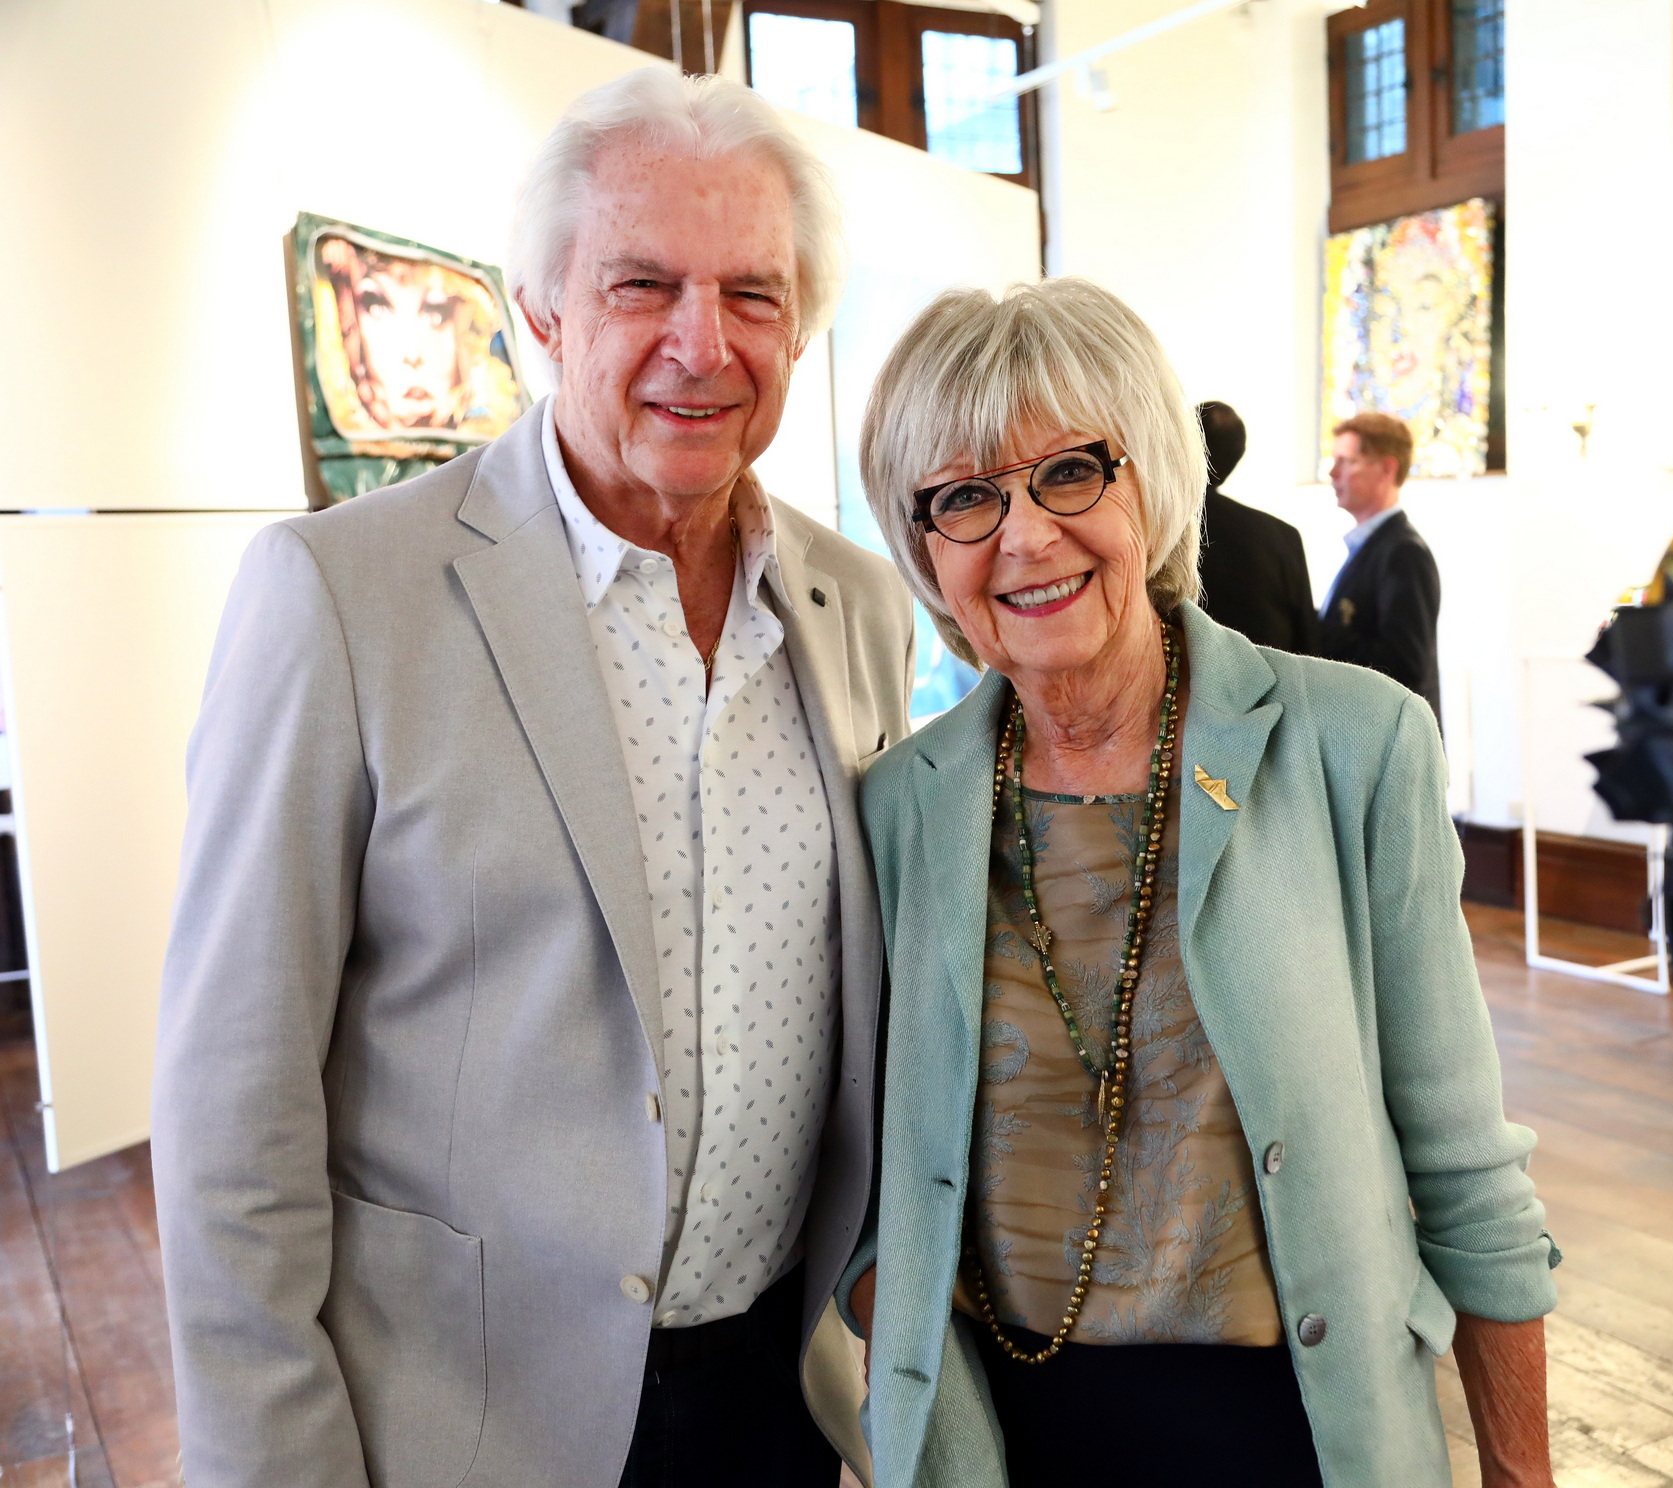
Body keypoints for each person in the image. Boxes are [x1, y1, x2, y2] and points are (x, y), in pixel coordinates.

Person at [151, 69, 913, 1487]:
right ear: (543, 312)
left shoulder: (855, 606)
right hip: (465, 1426)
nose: (703, 343)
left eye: (752, 293)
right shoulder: (341, 595)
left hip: (778, 1397)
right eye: (643, 285)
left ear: (801, 327)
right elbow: (231, 1113)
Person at [840, 279, 1557, 1488]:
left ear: (1157, 481)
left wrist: (1520, 1474)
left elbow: (1462, 1158)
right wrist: (891, 1306)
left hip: (1294, 1433)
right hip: (1005, 1439)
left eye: (1071, 472)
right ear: (922, 545)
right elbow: (870, 1166)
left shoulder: (1356, 745)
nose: (1026, 536)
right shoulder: (901, 806)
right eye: (965, 497)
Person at [1320, 411, 1442, 723]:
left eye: (1346, 461)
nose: (1333, 472)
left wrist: (1315, 629)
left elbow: (1403, 665)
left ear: (1387, 469)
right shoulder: (1374, 546)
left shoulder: (1403, 553)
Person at [1193, 400, 1317, 653]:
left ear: (1179, 445)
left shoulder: (1153, 528)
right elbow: (1308, 644)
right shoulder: (1283, 537)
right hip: (1268, 675)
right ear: (1238, 455)